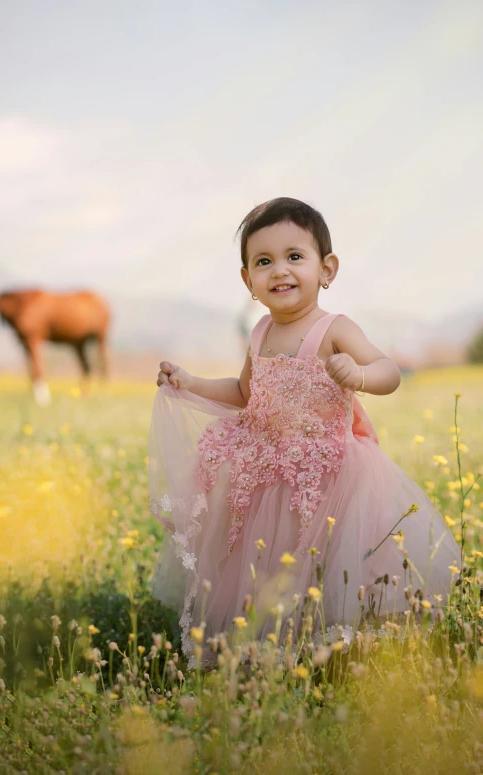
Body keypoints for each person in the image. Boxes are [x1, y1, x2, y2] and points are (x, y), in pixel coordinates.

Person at [148, 197, 461, 671]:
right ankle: (264, 642)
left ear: (326, 269)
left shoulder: (334, 329)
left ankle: (328, 643)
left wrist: (358, 374)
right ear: (247, 279)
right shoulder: (259, 333)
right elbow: (243, 391)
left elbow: (389, 370)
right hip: (265, 467)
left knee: (323, 558)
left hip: (325, 470)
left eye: (295, 257)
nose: (280, 270)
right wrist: (190, 383)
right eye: (264, 261)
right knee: (267, 560)